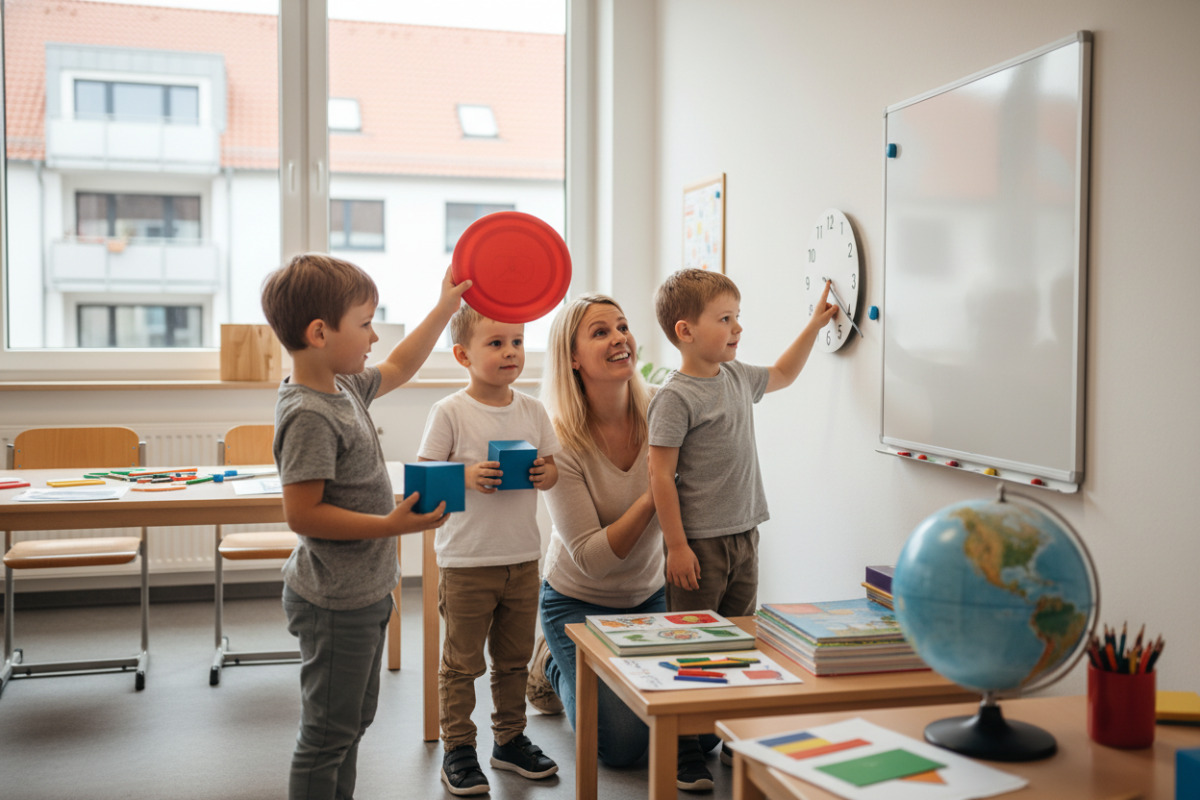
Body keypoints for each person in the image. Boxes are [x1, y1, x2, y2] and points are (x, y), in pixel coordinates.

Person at [260, 253, 469, 800]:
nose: (375, 337)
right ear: (320, 332)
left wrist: (446, 307)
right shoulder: (308, 411)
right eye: (366, 323)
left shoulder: (343, 385)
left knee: (352, 725)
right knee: (327, 735)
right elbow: (301, 515)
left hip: (365, 593)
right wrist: (389, 526)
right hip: (333, 602)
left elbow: (401, 364)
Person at [646, 268, 837, 787]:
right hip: (700, 545)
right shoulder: (675, 396)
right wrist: (677, 546)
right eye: (725, 319)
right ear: (685, 331)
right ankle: (684, 747)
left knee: (737, 640)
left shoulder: (734, 377)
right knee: (689, 644)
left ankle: (730, 731)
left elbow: (782, 373)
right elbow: (660, 474)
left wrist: (815, 325)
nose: (737, 328)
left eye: (738, 317)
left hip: (745, 534)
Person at [417, 304, 561, 797]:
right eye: (496, 343)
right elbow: (424, 480)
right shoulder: (451, 411)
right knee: (461, 663)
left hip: (522, 558)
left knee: (514, 659)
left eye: (517, 342)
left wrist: (547, 472)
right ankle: (458, 746)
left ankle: (511, 739)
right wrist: (467, 475)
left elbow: (552, 465)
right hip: (465, 562)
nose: (510, 352)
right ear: (462, 354)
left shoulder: (533, 409)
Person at [530, 293, 668, 771]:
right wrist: (654, 495)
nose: (619, 339)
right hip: (578, 602)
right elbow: (592, 557)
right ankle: (549, 662)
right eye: (600, 332)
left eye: (623, 327)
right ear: (572, 357)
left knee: (698, 732)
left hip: (651, 595)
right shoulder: (559, 440)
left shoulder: (663, 417)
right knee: (623, 747)